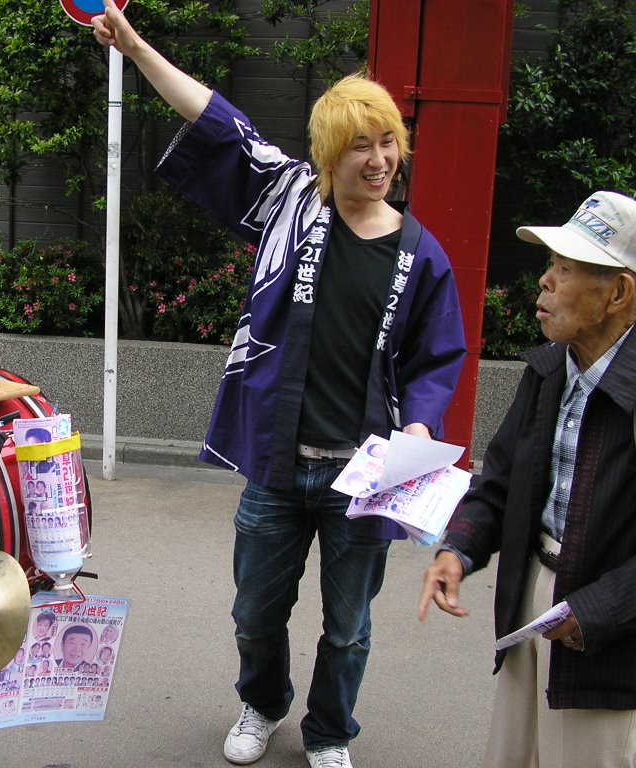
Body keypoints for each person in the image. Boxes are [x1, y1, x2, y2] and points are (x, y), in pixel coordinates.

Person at [93, 5, 466, 767]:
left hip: (363, 474)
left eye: (388, 140)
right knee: (255, 612)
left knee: (350, 624)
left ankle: (330, 732)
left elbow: (436, 358)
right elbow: (217, 119)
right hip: (276, 458)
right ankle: (262, 704)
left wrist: (422, 427)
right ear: (329, 155)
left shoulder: (421, 254)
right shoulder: (294, 202)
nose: (378, 157)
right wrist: (134, 47)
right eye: (360, 144)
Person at [419, 191, 636, 768]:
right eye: (551, 267)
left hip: (607, 631)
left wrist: (595, 613)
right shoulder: (548, 371)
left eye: (565, 270)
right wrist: (457, 550)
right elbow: (501, 481)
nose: (544, 281)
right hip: (533, 606)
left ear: (618, 293)